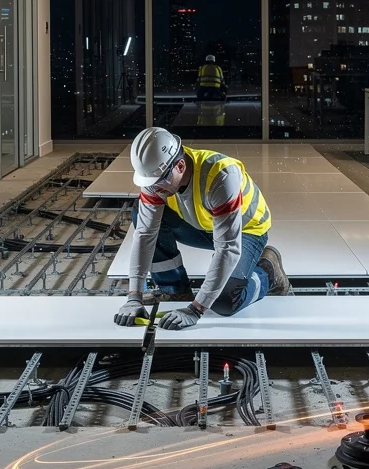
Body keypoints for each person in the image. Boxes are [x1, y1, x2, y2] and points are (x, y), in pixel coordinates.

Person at [114, 127, 289, 331]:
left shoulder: (221, 175)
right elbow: (145, 235)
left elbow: (228, 248)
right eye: (149, 184)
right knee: (140, 213)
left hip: (245, 231)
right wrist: (134, 297)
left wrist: (196, 309)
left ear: (180, 166)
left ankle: (269, 271)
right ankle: (176, 290)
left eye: (158, 183)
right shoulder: (158, 176)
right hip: (205, 226)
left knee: (225, 302)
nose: (154, 189)